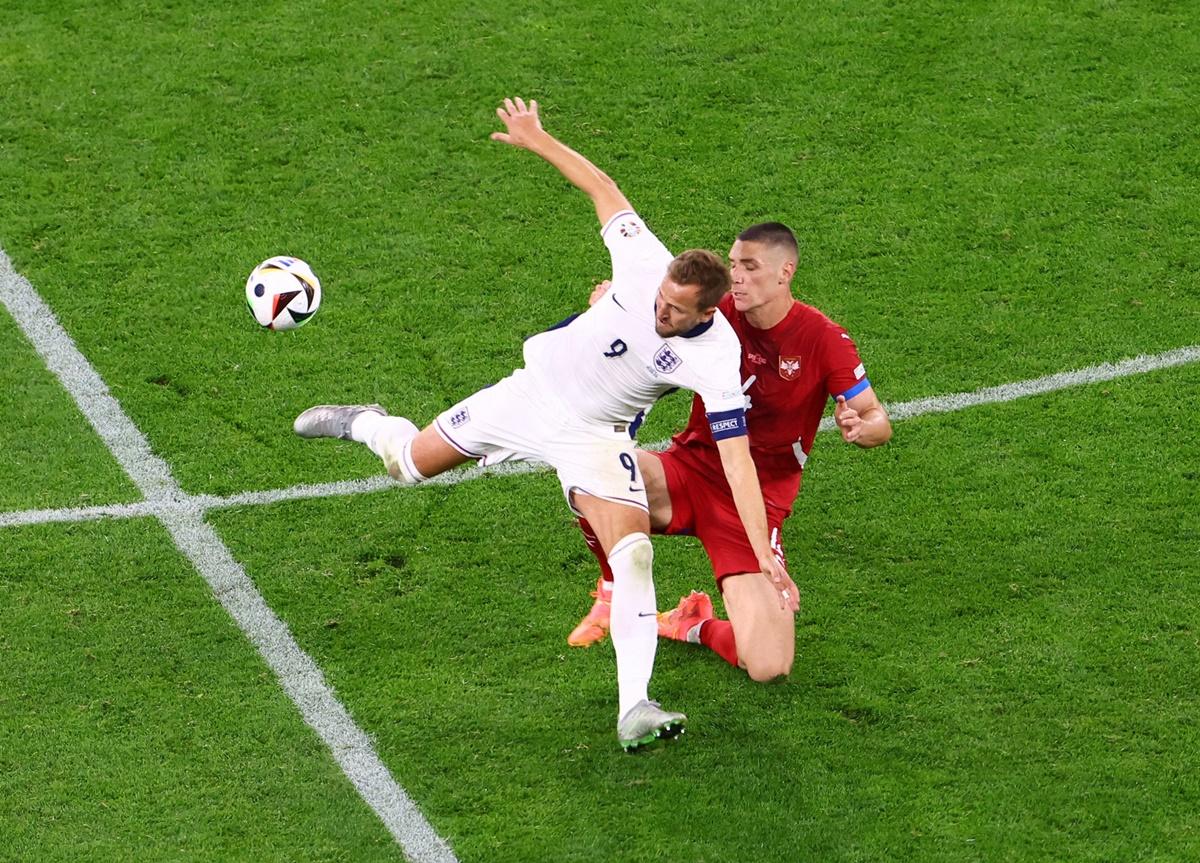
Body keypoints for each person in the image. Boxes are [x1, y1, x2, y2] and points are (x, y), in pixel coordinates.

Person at [293, 98, 796, 749]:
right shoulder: (646, 261)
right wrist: (537, 137)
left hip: (595, 439)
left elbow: (737, 463)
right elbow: (603, 188)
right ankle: (366, 422)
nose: (658, 312)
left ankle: (635, 705)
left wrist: (763, 553)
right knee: (408, 465)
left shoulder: (718, 356)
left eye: (674, 311)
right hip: (526, 397)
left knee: (634, 551)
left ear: (707, 311)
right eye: (659, 300)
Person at [567, 222, 892, 683]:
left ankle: (691, 624)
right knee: (594, 472)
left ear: (785, 272)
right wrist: (608, 307)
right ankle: (613, 592)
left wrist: (863, 427)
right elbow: (650, 314)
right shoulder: (714, 312)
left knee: (768, 666)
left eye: (750, 267)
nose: (735, 276)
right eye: (734, 264)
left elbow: (878, 418)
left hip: (755, 507)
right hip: (688, 470)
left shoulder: (822, 339)